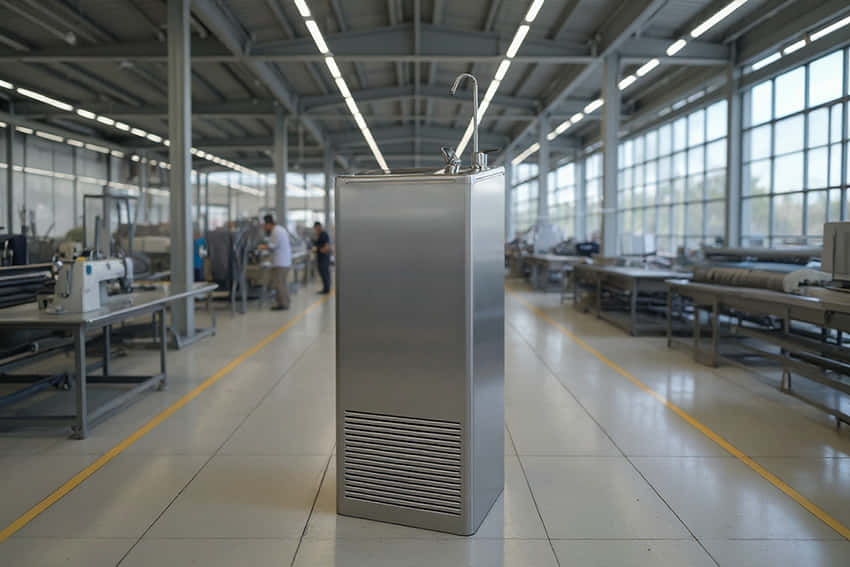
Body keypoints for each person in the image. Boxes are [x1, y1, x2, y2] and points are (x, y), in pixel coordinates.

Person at [261, 214, 292, 311]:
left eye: (265, 225)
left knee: (279, 284)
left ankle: (282, 304)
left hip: (280, 262)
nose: (265, 227)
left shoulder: (276, 231)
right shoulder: (280, 229)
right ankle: (286, 302)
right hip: (283, 261)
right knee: (282, 283)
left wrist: (262, 247)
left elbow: (272, 246)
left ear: (269, 224)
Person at [313, 221, 331, 294]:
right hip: (321, 258)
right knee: (323, 273)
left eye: (316, 228)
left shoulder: (324, 234)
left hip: (324, 258)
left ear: (319, 227)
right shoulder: (319, 235)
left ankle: (326, 289)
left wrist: (318, 249)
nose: (315, 229)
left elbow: (326, 247)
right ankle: (326, 288)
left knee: (325, 273)